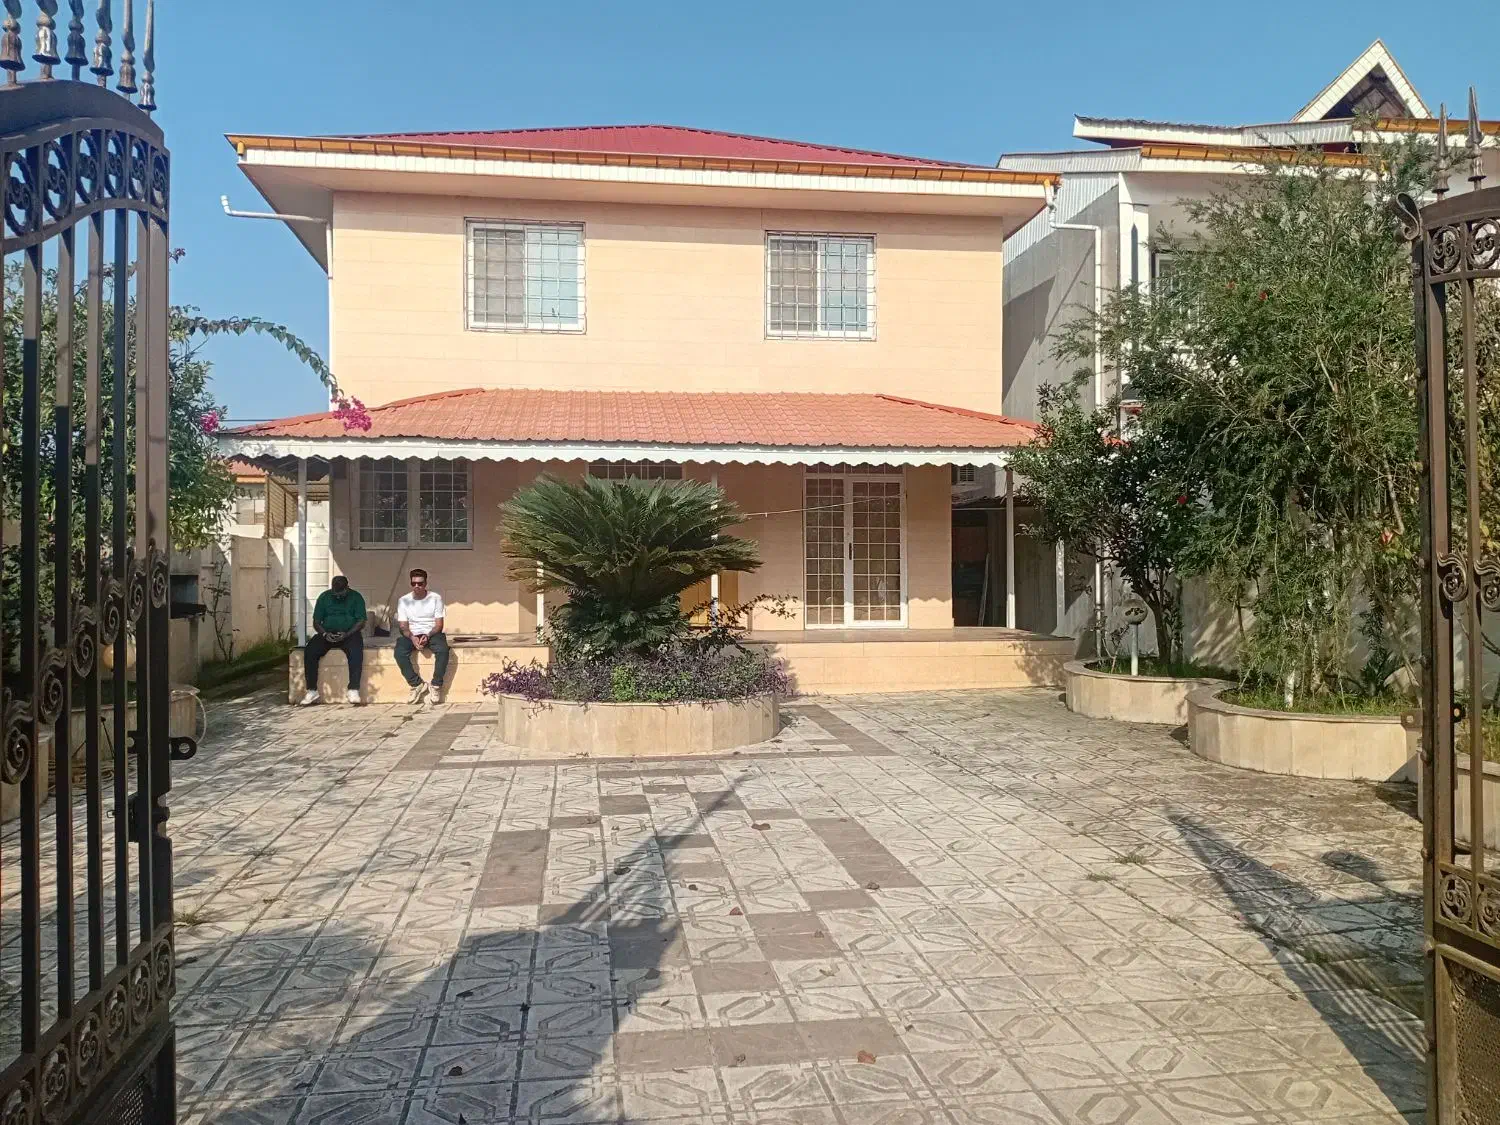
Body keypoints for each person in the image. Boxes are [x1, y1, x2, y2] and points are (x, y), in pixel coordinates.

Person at [300, 576, 367, 706]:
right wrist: (325, 634)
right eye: (335, 593)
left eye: (341, 593)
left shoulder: (356, 597)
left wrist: (347, 634)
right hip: (328, 633)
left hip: (349, 633)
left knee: (356, 651)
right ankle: (312, 690)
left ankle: (353, 689)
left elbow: (361, 621)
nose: (338, 595)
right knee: (310, 650)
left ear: (347, 588)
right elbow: (316, 622)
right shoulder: (324, 597)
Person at [395, 568, 450, 704]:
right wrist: (412, 637)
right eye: (413, 583)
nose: (417, 586)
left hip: (431, 632)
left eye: (420, 583)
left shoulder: (435, 598)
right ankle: (417, 684)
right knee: (399, 652)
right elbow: (403, 626)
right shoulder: (404, 600)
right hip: (412, 633)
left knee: (443, 650)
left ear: (425, 583)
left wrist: (428, 635)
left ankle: (436, 685)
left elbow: (439, 625)